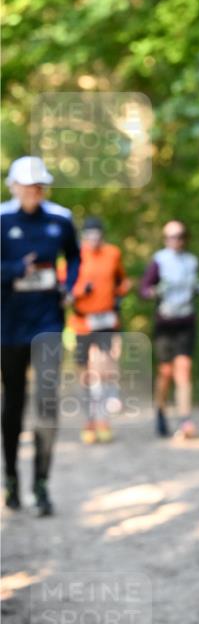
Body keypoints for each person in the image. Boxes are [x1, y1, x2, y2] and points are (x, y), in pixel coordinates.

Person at [1, 156, 80, 515]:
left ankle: (42, 483)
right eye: (27, 186)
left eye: (39, 186)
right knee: (14, 403)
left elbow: (75, 258)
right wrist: (18, 268)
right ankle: (12, 478)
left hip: (48, 320)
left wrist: (71, 286)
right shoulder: (2, 219)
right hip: (8, 324)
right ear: (13, 186)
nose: (34, 192)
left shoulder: (60, 219)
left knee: (47, 403)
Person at [140, 220, 199, 439]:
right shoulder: (159, 260)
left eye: (179, 236)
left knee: (184, 368)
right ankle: (160, 411)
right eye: (170, 237)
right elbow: (144, 289)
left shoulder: (192, 261)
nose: (175, 241)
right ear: (165, 239)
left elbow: (196, 286)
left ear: (185, 238)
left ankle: (185, 419)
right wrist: (154, 291)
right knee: (166, 372)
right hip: (165, 323)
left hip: (186, 321)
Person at [69, 216, 131, 444]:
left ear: (102, 234)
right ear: (83, 236)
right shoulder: (74, 256)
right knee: (85, 373)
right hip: (82, 322)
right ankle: (89, 421)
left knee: (102, 367)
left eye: (96, 233)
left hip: (106, 320)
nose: (93, 238)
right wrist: (79, 291)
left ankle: (102, 419)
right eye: (88, 234)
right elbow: (64, 286)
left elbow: (122, 281)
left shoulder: (113, 253)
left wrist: (120, 293)